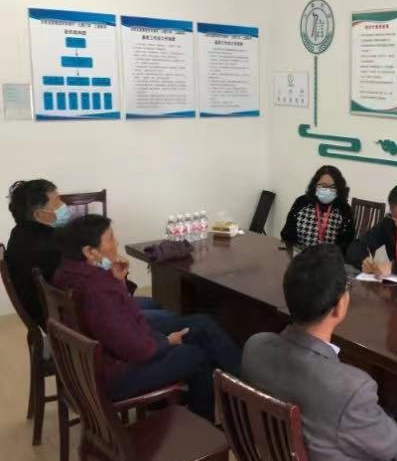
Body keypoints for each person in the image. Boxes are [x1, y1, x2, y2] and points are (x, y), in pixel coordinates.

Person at [243, 244, 397, 461]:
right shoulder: (351, 389)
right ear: (340, 305)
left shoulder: (255, 347)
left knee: (385, 418)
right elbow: (392, 446)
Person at [53, 215, 241, 420]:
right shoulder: (97, 289)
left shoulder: (67, 273)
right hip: (114, 376)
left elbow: (119, 319)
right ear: (90, 252)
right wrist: (167, 341)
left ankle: (189, 403)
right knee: (199, 354)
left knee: (198, 327)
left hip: (93, 367)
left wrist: (118, 281)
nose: (116, 242)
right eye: (110, 238)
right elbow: (135, 347)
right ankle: (209, 418)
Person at [5, 179, 167, 326]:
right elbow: (97, 288)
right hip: (74, 321)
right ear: (39, 214)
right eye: (57, 202)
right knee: (171, 316)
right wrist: (111, 269)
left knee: (154, 304)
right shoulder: (50, 248)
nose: (63, 206)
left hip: (58, 313)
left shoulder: (20, 234)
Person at [281, 165, 355, 253]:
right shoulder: (302, 202)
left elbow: (346, 245)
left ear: (339, 189)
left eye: (332, 187)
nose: (327, 190)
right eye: (323, 186)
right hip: (300, 256)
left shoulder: (344, 209)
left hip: (331, 259)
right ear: (315, 185)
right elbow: (287, 235)